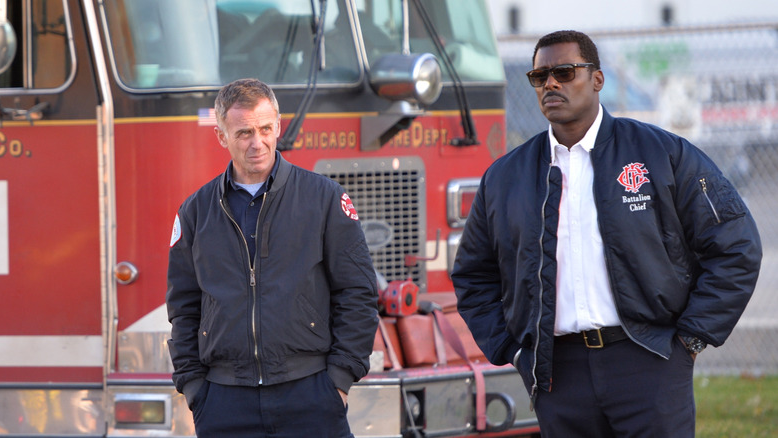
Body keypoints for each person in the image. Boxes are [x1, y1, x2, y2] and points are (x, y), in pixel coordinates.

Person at [451, 30, 761, 437]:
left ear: (597, 79)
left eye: (564, 71)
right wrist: (513, 350)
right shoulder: (506, 176)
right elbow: (473, 275)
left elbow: (736, 246)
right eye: (539, 75)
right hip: (557, 376)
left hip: (649, 361)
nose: (551, 84)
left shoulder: (661, 153)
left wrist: (691, 339)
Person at [166, 78, 379, 437]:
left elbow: (358, 293)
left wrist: (339, 381)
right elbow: (184, 306)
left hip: (311, 394)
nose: (257, 142)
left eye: (266, 129)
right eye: (244, 132)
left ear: (278, 126)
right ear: (222, 137)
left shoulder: (324, 199)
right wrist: (194, 388)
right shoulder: (195, 212)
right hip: (223, 403)